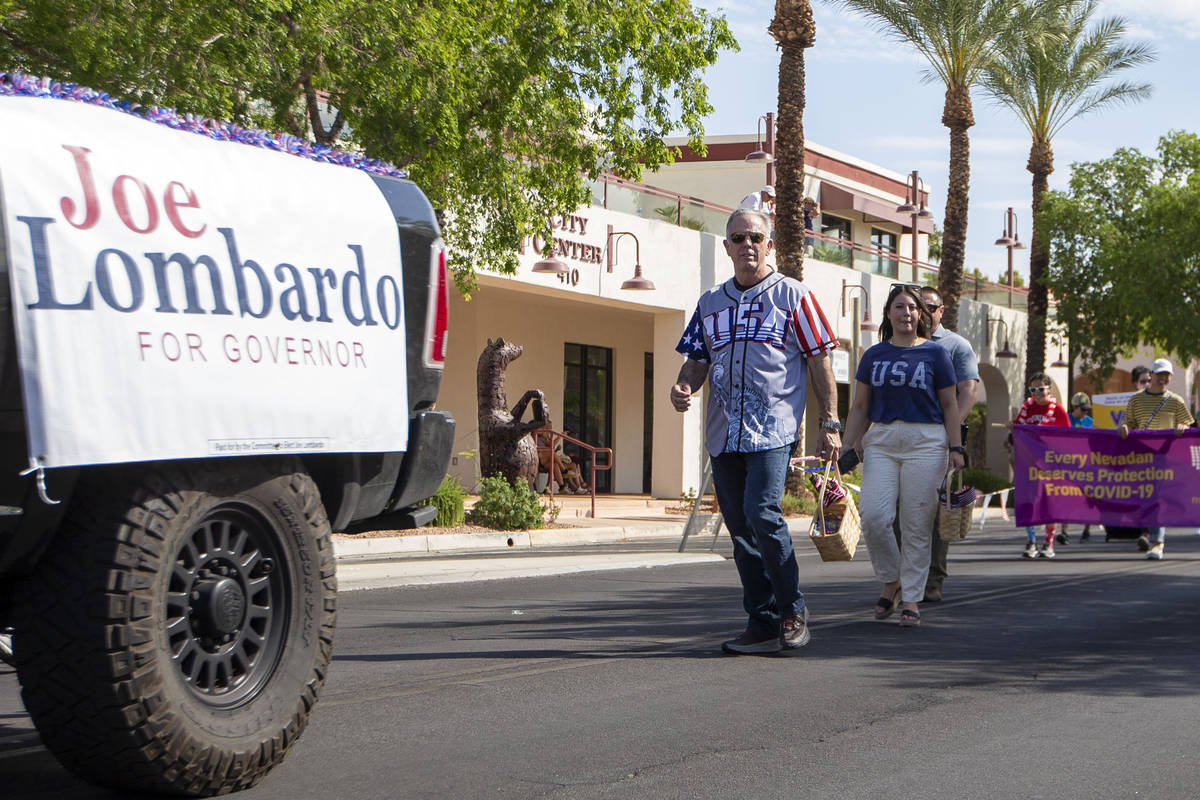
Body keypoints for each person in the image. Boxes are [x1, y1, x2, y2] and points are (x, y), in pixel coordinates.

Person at [670, 207, 841, 655]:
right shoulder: (710, 303)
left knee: (762, 513)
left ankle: (793, 612)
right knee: (740, 528)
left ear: (770, 245)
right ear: (726, 247)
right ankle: (762, 620)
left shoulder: (793, 296)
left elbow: (819, 359)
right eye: (738, 238)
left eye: (756, 237)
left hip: (773, 428)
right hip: (724, 433)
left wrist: (830, 421)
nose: (748, 245)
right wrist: (683, 386)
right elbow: (696, 360)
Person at [842, 284, 964, 629]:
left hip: (926, 441)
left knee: (915, 524)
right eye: (899, 307)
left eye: (912, 308)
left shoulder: (936, 355)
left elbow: (950, 404)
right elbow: (861, 406)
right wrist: (848, 445)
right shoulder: (873, 355)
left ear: (921, 315)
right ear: (889, 314)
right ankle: (891, 579)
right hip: (881, 439)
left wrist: (956, 448)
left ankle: (910, 597)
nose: (906, 313)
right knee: (875, 516)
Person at [918, 287, 978, 602]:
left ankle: (933, 578)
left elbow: (968, 390)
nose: (925, 313)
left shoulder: (956, 346)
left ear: (943, 310)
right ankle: (906, 575)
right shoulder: (899, 342)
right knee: (898, 511)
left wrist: (948, 431)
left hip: (940, 439)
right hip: (902, 440)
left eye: (932, 307)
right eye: (920, 306)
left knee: (936, 510)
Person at [1118, 357, 1195, 559]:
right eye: (1160, 374)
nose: (1163, 379)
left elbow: (1188, 425)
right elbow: (1129, 423)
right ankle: (1147, 533)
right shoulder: (1136, 400)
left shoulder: (1175, 401)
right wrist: (1125, 428)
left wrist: (1183, 428)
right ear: (1151, 375)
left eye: (1167, 375)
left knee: (1157, 497)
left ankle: (1157, 542)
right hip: (1141, 456)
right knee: (1144, 497)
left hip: (1165, 456)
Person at [1012, 373, 1070, 558]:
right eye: (1033, 390)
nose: (1037, 393)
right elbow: (1018, 432)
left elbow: (1069, 438)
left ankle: (1048, 542)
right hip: (1029, 465)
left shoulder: (1058, 410)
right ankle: (1031, 541)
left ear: (1049, 389)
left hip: (1051, 466)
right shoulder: (1026, 409)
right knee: (1029, 502)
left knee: (1049, 504)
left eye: (1041, 389)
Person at [1063, 392, 1094, 542]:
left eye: (1087, 409)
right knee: (1067, 497)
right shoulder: (1066, 420)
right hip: (1069, 465)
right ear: (1074, 407)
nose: (1085, 413)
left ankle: (1087, 531)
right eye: (1082, 409)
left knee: (1088, 498)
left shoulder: (1090, 422)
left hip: (1087, 466)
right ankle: (1064, 532)